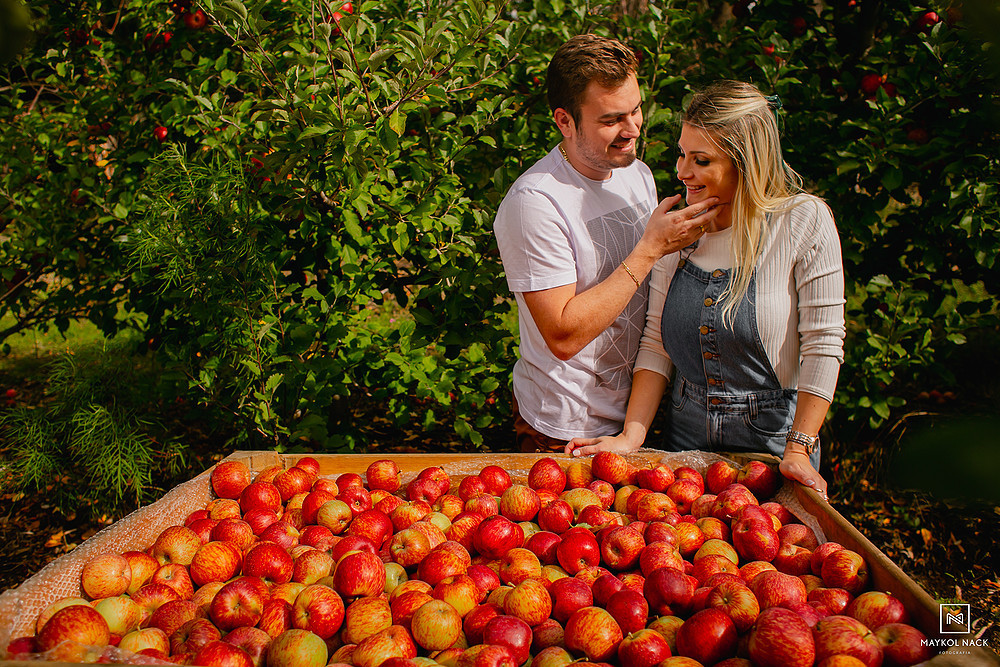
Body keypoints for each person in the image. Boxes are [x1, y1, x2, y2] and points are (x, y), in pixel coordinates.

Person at [566, 80, 846, 499]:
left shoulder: (802, 222)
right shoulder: (677, 234)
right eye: (682, 154)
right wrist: (630, 437)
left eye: (701, 160)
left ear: (745, 163)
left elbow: (823, 345)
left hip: (772, 452)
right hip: (686, 451)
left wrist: (800, 448)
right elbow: (656, 342)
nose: (682, 172)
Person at [494, 35, 722, 453]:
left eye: (635, 110)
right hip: (565, 426)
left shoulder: (636, 173)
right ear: (565, 121)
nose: (633, 129)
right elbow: (562, 336)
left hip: (637, 414)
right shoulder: (536, 202)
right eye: (612, 119)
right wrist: (651, 248)